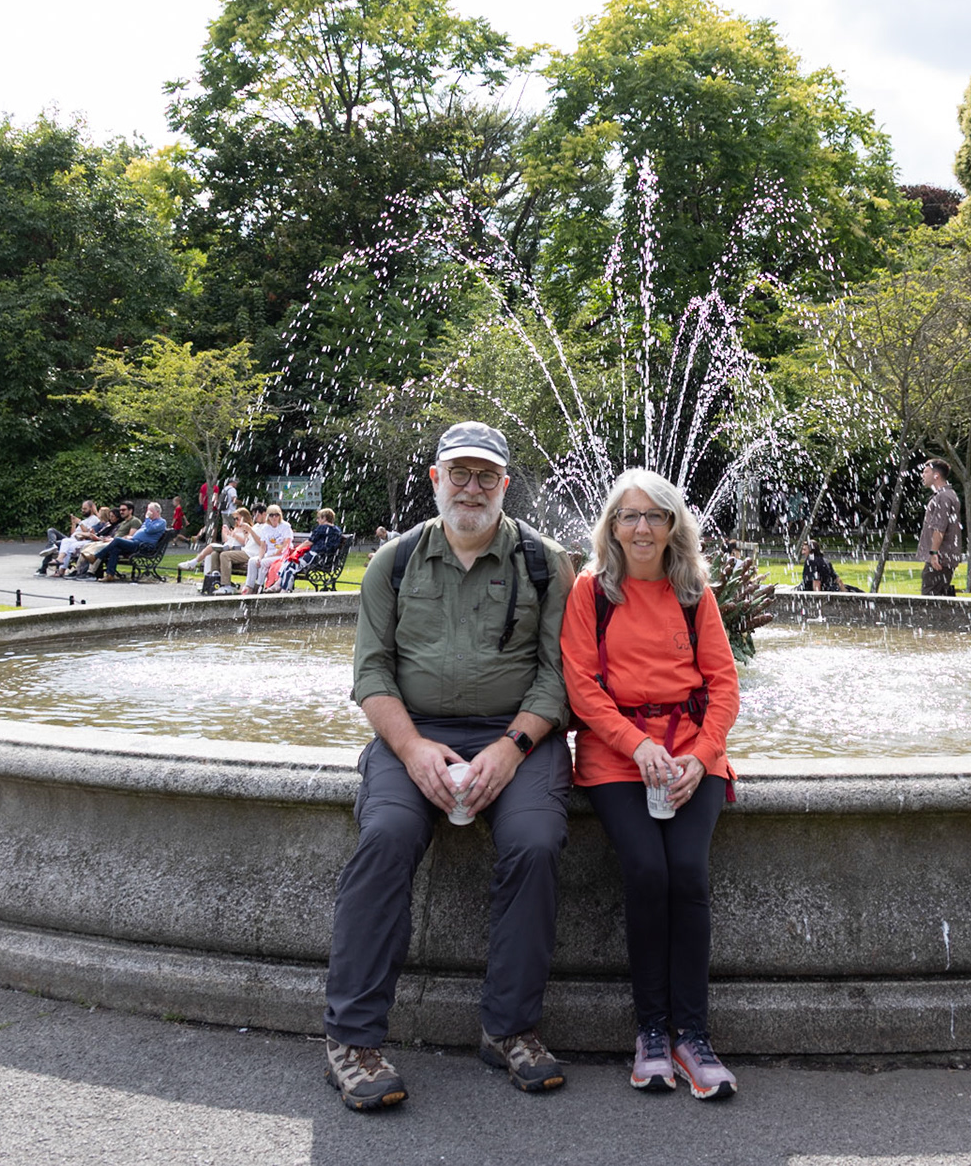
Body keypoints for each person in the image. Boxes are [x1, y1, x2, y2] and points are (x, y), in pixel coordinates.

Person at [323, 421, 573, 1112]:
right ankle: (351, 1039)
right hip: (415, 732)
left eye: (486, 475)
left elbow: (559, 676)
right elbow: (371, 673)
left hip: (518, 737)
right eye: (458, 473)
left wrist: (511, 747)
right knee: (386, 837)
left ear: (505, 484)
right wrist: (411, 748)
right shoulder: (394, 561)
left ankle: (510, 1028)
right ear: (435, 479)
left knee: (536, 842)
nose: (471, 487)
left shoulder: (546, 562)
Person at [559, 469, 742, 1099]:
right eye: (629, 516)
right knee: (647, 871)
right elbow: (582, 687)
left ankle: (693, 1035)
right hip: (617, 756)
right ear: (613, 526)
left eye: (655, 516)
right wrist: (637, 746)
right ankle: (653, 1033)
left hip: (691, 756)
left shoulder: (694, 593)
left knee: (687, 872)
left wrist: (703, 755)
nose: (642, 528)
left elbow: (724, 685)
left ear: (672, 526)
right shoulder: (591, 592)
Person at [91, 501, 169, 582]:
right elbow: (142, 532)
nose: (148, 512)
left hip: (144, 546)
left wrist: (147, 518)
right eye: (147, 510)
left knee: (117, 540)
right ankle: (110, 575)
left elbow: (150, 530)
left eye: (150, 510)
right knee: (115, 549)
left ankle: (96, 556)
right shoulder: (149, 521)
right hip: (135, 542)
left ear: (157, 511)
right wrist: (131, 537)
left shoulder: (161, 522)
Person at [919, 459, 963, 597]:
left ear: (936, 475)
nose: (923, 475)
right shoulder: (948, 494)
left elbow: (939, 528)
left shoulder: (943, 497)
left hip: (940, 559)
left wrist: (933, 554)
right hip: (945, 558)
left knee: (929, 599)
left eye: (926, 472)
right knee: (940, 598)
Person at [273, 508, 343, 592]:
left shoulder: (322, 528)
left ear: (324, 518)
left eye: (319, 518)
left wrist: (297, 549)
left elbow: (309, 542)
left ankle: (284, 590)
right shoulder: (337, 530)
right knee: (289, 561)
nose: (317, 520)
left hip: (315, 558)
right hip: (327, 560)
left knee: (291, 566)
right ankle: (278, 584)